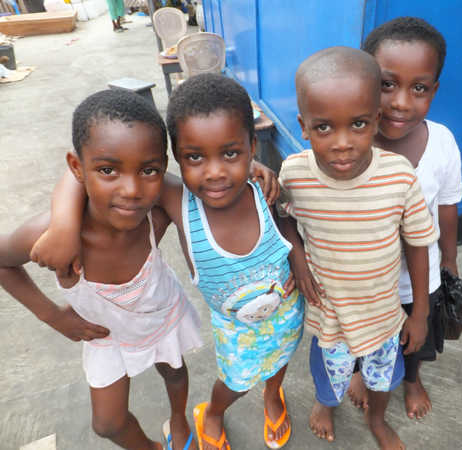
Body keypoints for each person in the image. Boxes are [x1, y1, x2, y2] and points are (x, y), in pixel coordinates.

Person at [31, 74, 303, 450]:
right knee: (236, 382)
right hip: (236, 331)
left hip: (287, 312)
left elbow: (286, 222)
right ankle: (213, 414)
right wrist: (63, 222)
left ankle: (273, 394)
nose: (215, 172)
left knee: (280, 358)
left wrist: (256, 169)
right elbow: (93, 163)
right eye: (195, 157)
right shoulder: (177, 197)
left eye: (230, 153)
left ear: (251, 147)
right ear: (175, 157)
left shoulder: (262, 188)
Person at [0, 89, 203, 450]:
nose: (131, 190)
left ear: (162, 168)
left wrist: (253, 169)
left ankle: (178, 418)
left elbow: (211, 180)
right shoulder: (48, 235)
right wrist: (52, 316)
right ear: (77, 167)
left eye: (149, 170)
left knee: (174, 371)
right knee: (108, 423)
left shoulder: (157, 212)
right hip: (105, 336)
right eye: (108, 170)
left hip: (161, 316)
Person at [278, 46, 439, 450]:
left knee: (383, 380)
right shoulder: (294, 174)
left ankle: (377, 419)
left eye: (359, 124)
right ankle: (325, 404)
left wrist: (420, 313)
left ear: (377, 119)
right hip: (329, 317)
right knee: (327, 377)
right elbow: (281, 215)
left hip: (383, 316)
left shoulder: (398, 176)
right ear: (303, 126)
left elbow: (418, 245)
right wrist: (297, 256)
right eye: (324, 127)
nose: (343, 143)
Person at [347, 17, 462, 421]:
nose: (400, 102)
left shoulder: (442, 143)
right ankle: (358, 372)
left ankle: (412, 379)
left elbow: (447, 205)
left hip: (419, 277)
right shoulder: (346, 146)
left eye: (419, 88)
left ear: (434, 90)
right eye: (386, 84)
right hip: (362, 280)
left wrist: (450, 260)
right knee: (358, 334)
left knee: (417, 336)